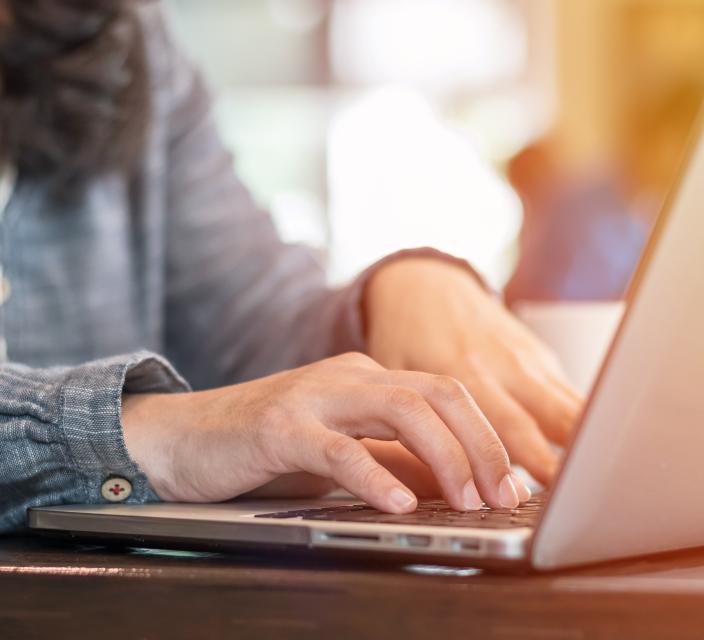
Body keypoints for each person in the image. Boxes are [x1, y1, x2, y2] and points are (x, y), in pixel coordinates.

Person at [0, 0, 581, 533]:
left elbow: (244, 320)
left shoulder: (129, 43)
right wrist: (159, 436)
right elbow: (226, 421)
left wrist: (394, 295)